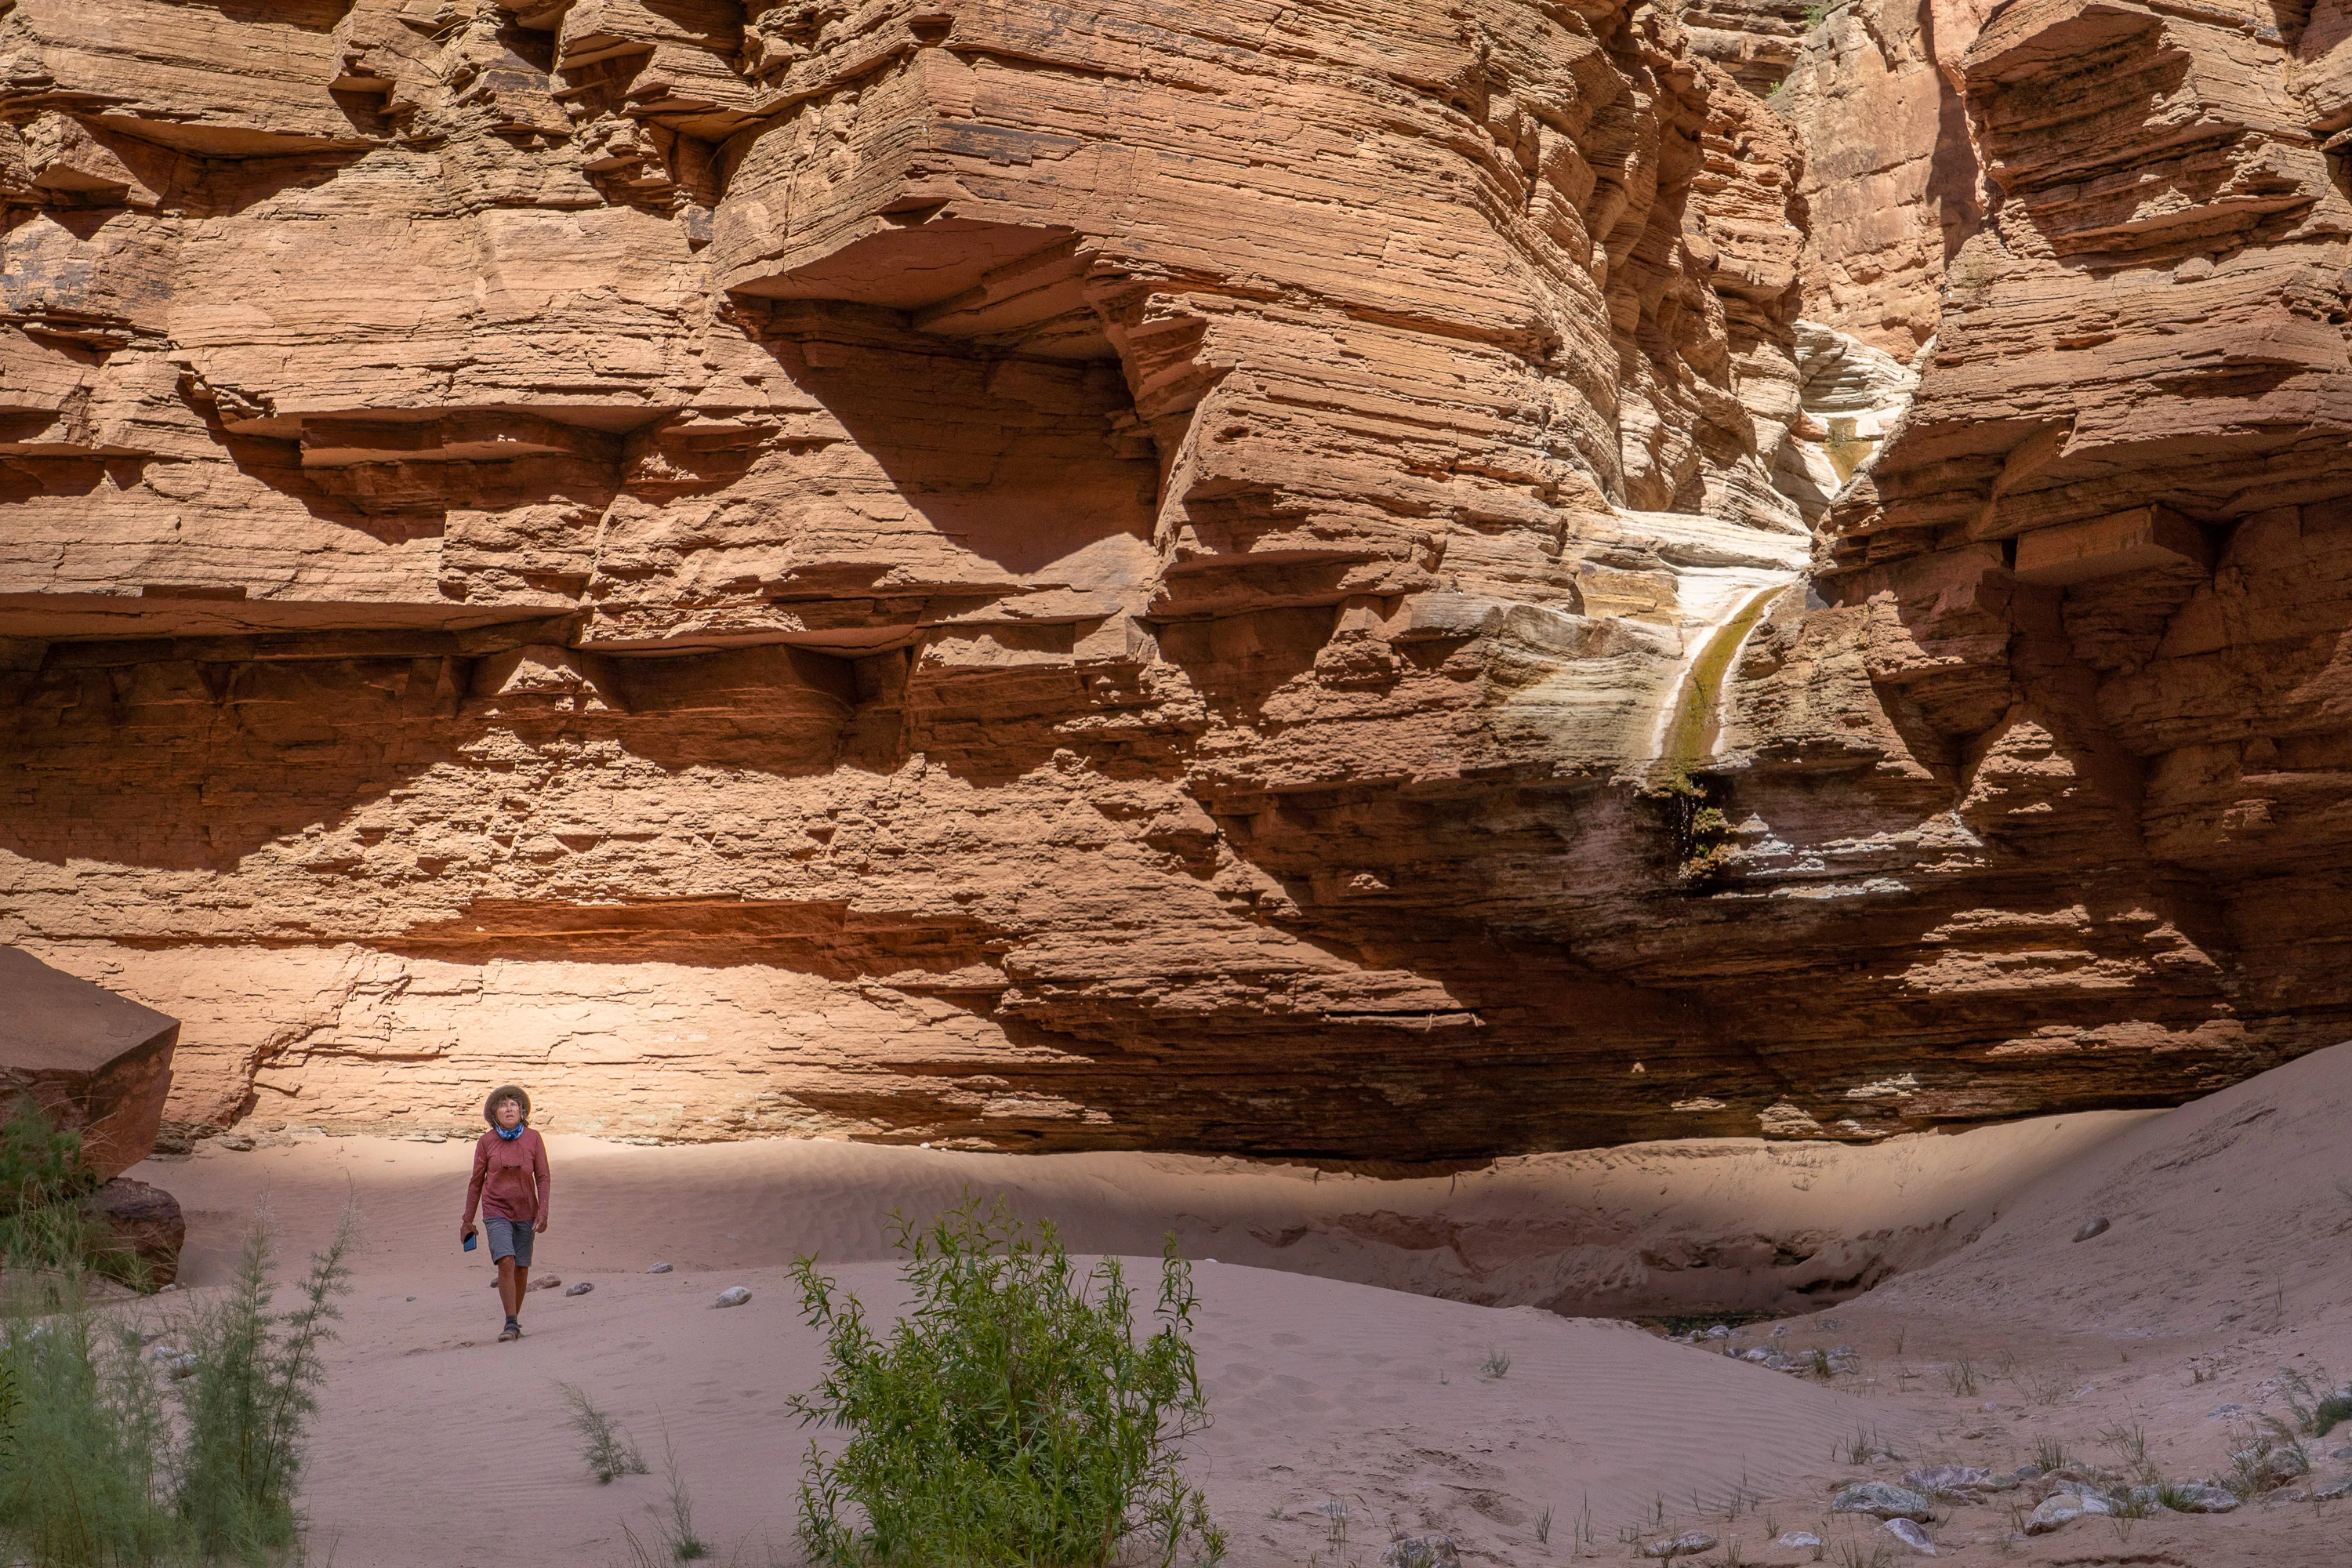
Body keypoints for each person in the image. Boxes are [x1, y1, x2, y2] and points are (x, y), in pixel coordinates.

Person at [459, 1084, 551, 1342]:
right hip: (496, 1210)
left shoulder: (533, 1138)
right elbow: (476, 1182)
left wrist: (543, 1210)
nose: (509, 1108)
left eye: (514, 1105)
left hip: (526, 1212)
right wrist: (468, 1219)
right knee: (506, 1260)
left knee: (522, 1269)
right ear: (494, 1114)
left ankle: (514, 1321)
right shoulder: (486, 1142)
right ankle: (510, 1323)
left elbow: (543, 1177)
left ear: (522, 1112)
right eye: (503, 1105)